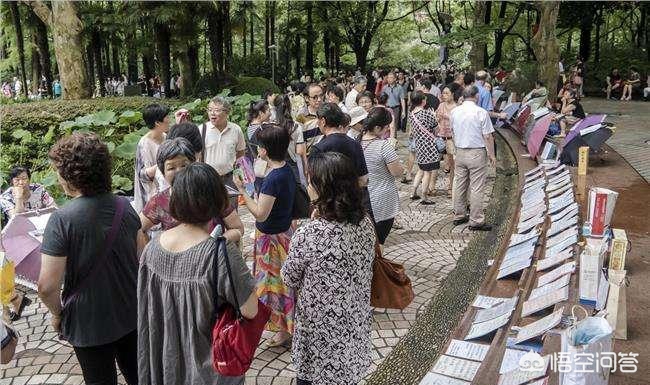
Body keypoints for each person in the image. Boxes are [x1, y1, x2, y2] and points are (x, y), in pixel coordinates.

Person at [138, 163, 258, 385]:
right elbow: (250, 310)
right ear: (218, 201)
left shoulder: (151, 251)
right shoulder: (221, 253)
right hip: (209, 369)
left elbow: (147, 311)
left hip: (166, 363)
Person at [39, 132, 140, 384]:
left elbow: (47, 286)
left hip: (88, 322)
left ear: (71, 175)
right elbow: (143, 257)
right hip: (130, 312)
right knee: (140, 375)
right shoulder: (123, 206)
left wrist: (57, 312)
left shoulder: (61, 220)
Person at [282, 151, 375, 385]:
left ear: (322, 188)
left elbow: (289, 277)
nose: (308, 184)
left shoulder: (309, 234)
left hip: (320, 331)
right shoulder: (365, 222)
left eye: (311, 180)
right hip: (354, 319)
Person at [233, 124, 295, 347]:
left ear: (264, 150)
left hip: (271, 240)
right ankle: (285, 326)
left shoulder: (273, 178)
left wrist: (242, 191)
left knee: (273, 287)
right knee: (283, 283)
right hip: (285, 234)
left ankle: (283, 329)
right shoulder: (286, 169)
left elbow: (260, 213)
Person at [138, 138, 243, 250]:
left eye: (184, 165)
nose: (179, 171)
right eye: (171, 168)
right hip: (177, 264)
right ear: (163, 172)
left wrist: (214, 244)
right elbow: (139, 227)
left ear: (194, 165)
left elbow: (237, 229)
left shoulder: (211, 193)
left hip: (211, 259)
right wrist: (151, 252)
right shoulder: (159, 202)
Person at [450, 86, 495, 231]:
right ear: (476, 96)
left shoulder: (454, 112)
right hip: (477, 152)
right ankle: (476, 220)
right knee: (477, 187)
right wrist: (492, 154)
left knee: (460, 184)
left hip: (460, 151)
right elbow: (487, 136)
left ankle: (459, 214)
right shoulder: (481, 112)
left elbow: (453, 132)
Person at [359, 107, 403, 244]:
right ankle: (378, 265)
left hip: (361, 197)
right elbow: (397, 172)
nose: (387, 131)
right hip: (381, 200)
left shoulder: (355, 142)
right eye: (386, 128)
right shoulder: (384, 146)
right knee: (379, 241)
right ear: (377, 128)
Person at [200, 96, 246, 207]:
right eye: (209, 110)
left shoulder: (236, 130)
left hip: (229, 178)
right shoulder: (202, 129)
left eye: (216, 110)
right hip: (208, 179)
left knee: (231, 210)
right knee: (210, 212)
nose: (212, 113)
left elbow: (240, 152)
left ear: (227, 112)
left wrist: (238, 174)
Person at [134, 104, 170, 212]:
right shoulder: (144, 144)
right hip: (151, 193)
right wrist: (163, 164)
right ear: (157, 123)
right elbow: (142, 175)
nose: (169, 120)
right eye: (166, 117)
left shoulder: (166, 137)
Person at [409, 91, 441, 205]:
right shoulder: (427, 113)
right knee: (428, 172)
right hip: (429, 146)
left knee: (421, 169)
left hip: (419, 145)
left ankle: (413, 192)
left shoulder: (411, 114)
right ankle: (424, 196)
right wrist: (434, 117)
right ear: (423, 101)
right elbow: (437, 129)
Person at [274, 94, 308, 185]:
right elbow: (300, 151)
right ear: (290, 106)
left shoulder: (271, 127)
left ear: (275, 108)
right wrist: (305, 168)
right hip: (292, 165)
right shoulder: (296, 126)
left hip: (275, 166)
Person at [436, 84, 461, 195]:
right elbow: (436, 119)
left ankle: (451, 187)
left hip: (451, 138)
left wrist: (446, 117)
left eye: (447, 93)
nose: (444, 95)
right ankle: (431, 187)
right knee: (435, 162)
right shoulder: (441, 105)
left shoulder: (457, 107)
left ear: (452, 94)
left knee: (452, 164)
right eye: (443, 93)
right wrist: (437, 117)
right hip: (440, 137)